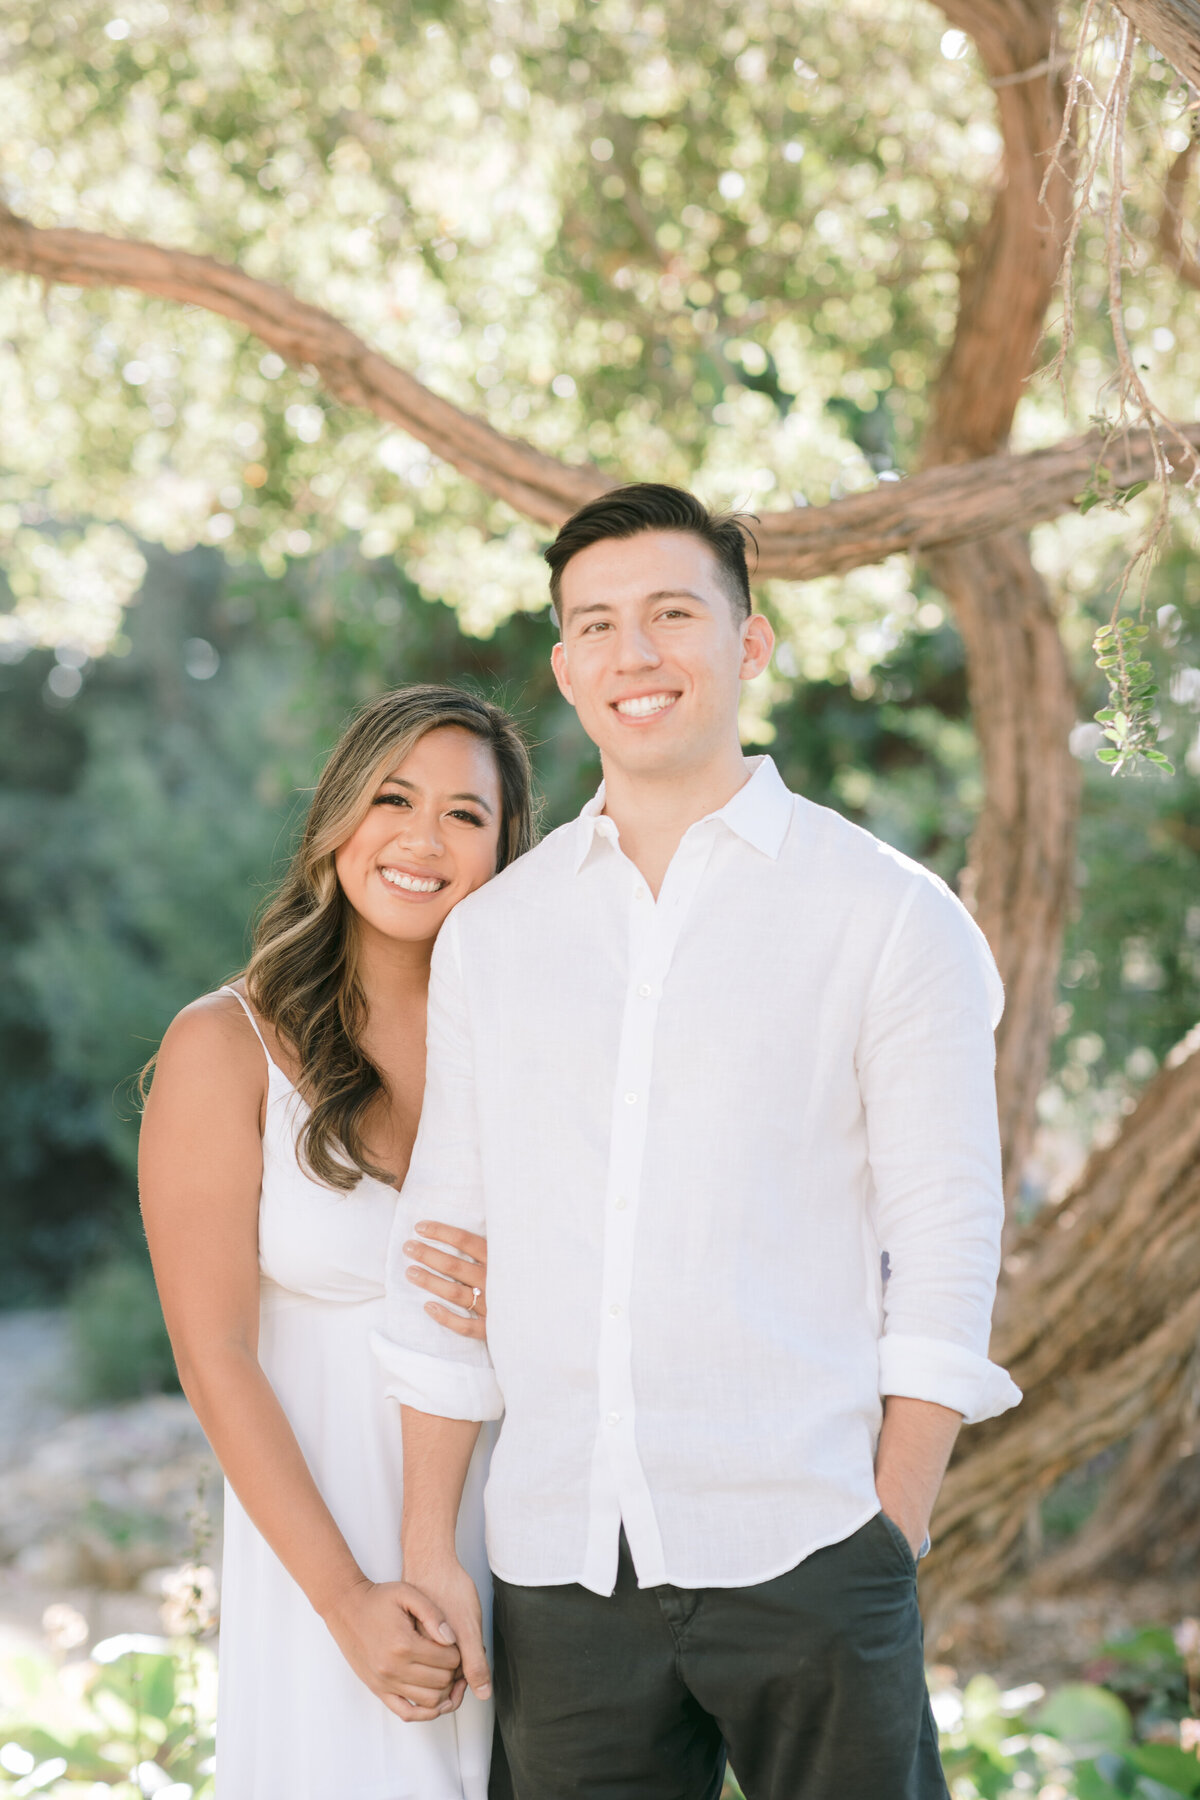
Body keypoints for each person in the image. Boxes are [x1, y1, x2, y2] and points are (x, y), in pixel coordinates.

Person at [375, 485, 1022, 1800]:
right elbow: (449, 1245)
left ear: (751, 643)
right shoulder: (499, 937)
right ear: (564, 667)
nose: (636, 654)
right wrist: (430, 1539)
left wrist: (888, 1531)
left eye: (674, 613)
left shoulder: (888, 916)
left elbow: (949, 1236)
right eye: (597, 624)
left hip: (812, 1544)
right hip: (562, 1562)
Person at [139, 685, 536, 1800]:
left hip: (527, 1543)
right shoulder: (225, 1044)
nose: (422, 838)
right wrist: (348, 1603)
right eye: (393, 798)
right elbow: (215, 1358)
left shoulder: (531, 1047)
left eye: (467, 814)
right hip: (325, 1552)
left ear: (508, 848)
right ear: (336, 821)